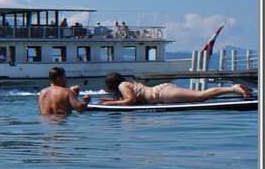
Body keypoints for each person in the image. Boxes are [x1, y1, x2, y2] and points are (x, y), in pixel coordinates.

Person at [103, 72, 253, 105]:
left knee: (200, 96)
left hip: (160, 94)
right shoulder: (127, 83)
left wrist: (110, 103)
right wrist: (115, 101)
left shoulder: (122, 85)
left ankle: (233, 88)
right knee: (199, 95)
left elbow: (131, 100)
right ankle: (233, 89)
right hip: (162, 90)